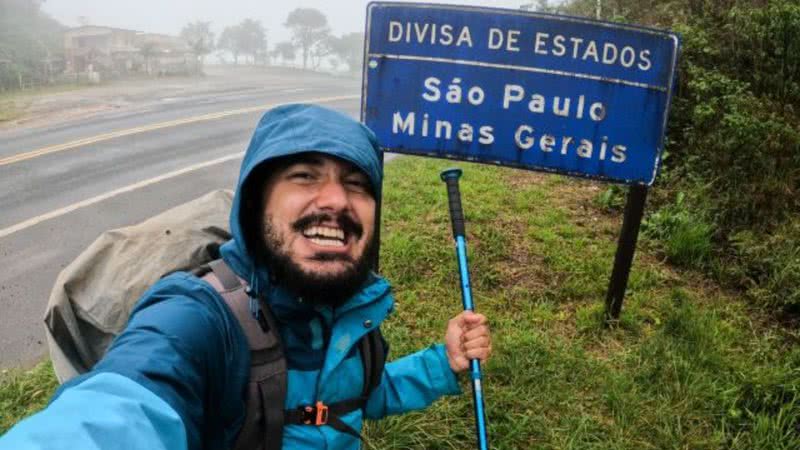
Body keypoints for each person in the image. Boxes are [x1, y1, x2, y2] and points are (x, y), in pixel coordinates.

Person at [0, 104, 492, 450]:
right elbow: (122, 412)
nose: (337, 200)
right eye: (303, 175)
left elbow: (361, 396)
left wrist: (441, 364)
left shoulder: (350, 315)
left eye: (357, 184)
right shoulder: (198, 317)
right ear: (255, 201)